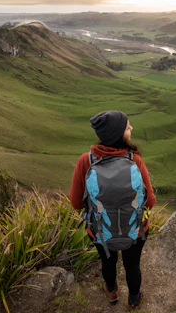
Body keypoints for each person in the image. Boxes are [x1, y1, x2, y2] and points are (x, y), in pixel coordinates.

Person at [70, 110, 156, 310]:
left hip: (100, 229)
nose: (131, 128)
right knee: (132, 265)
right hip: (135, 230)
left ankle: (112, 293)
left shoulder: (86, 161)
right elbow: (149, 202)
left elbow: (76, 202)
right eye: (127, 127)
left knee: (108, 262)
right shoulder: (135, 160)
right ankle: (134, 300)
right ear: (119, 134)